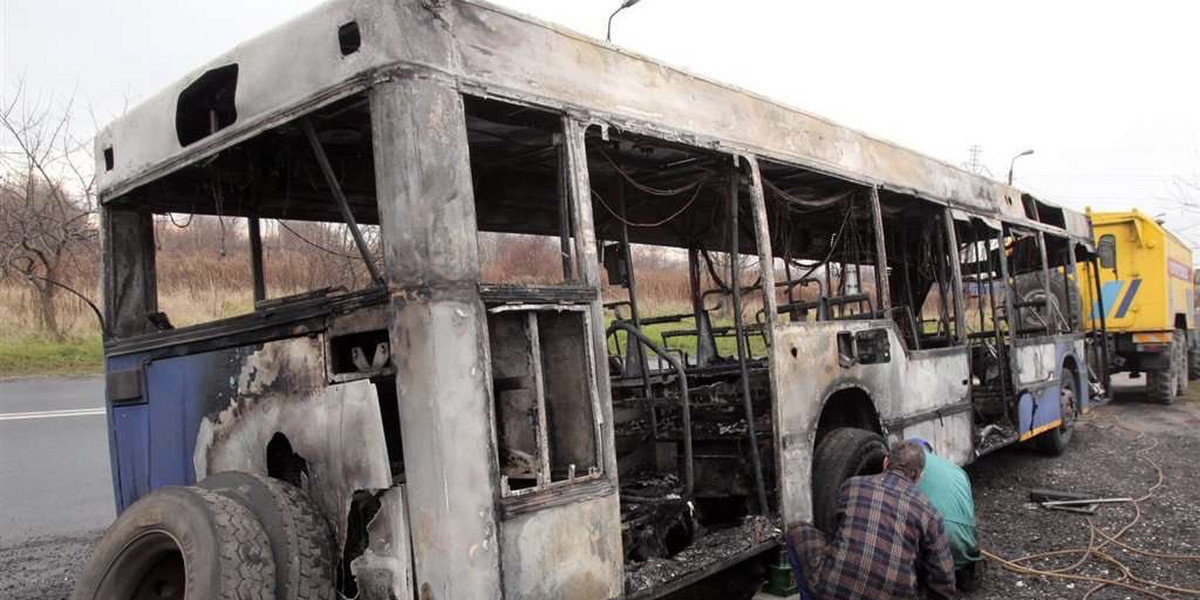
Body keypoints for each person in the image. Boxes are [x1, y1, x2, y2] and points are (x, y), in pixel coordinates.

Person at [785, 440, 956, 600]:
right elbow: (943, 579)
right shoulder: (930, 513)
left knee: (797, 531)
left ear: (886, 462)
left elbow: (833, 534)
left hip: (834, 592)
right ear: (919, 476)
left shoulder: (853, 485)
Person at [912, 438, 984, 593]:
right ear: (930, 452)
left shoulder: (908, 468)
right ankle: (960, 572)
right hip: (963, 546)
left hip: (930, 551)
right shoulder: (957, 470)